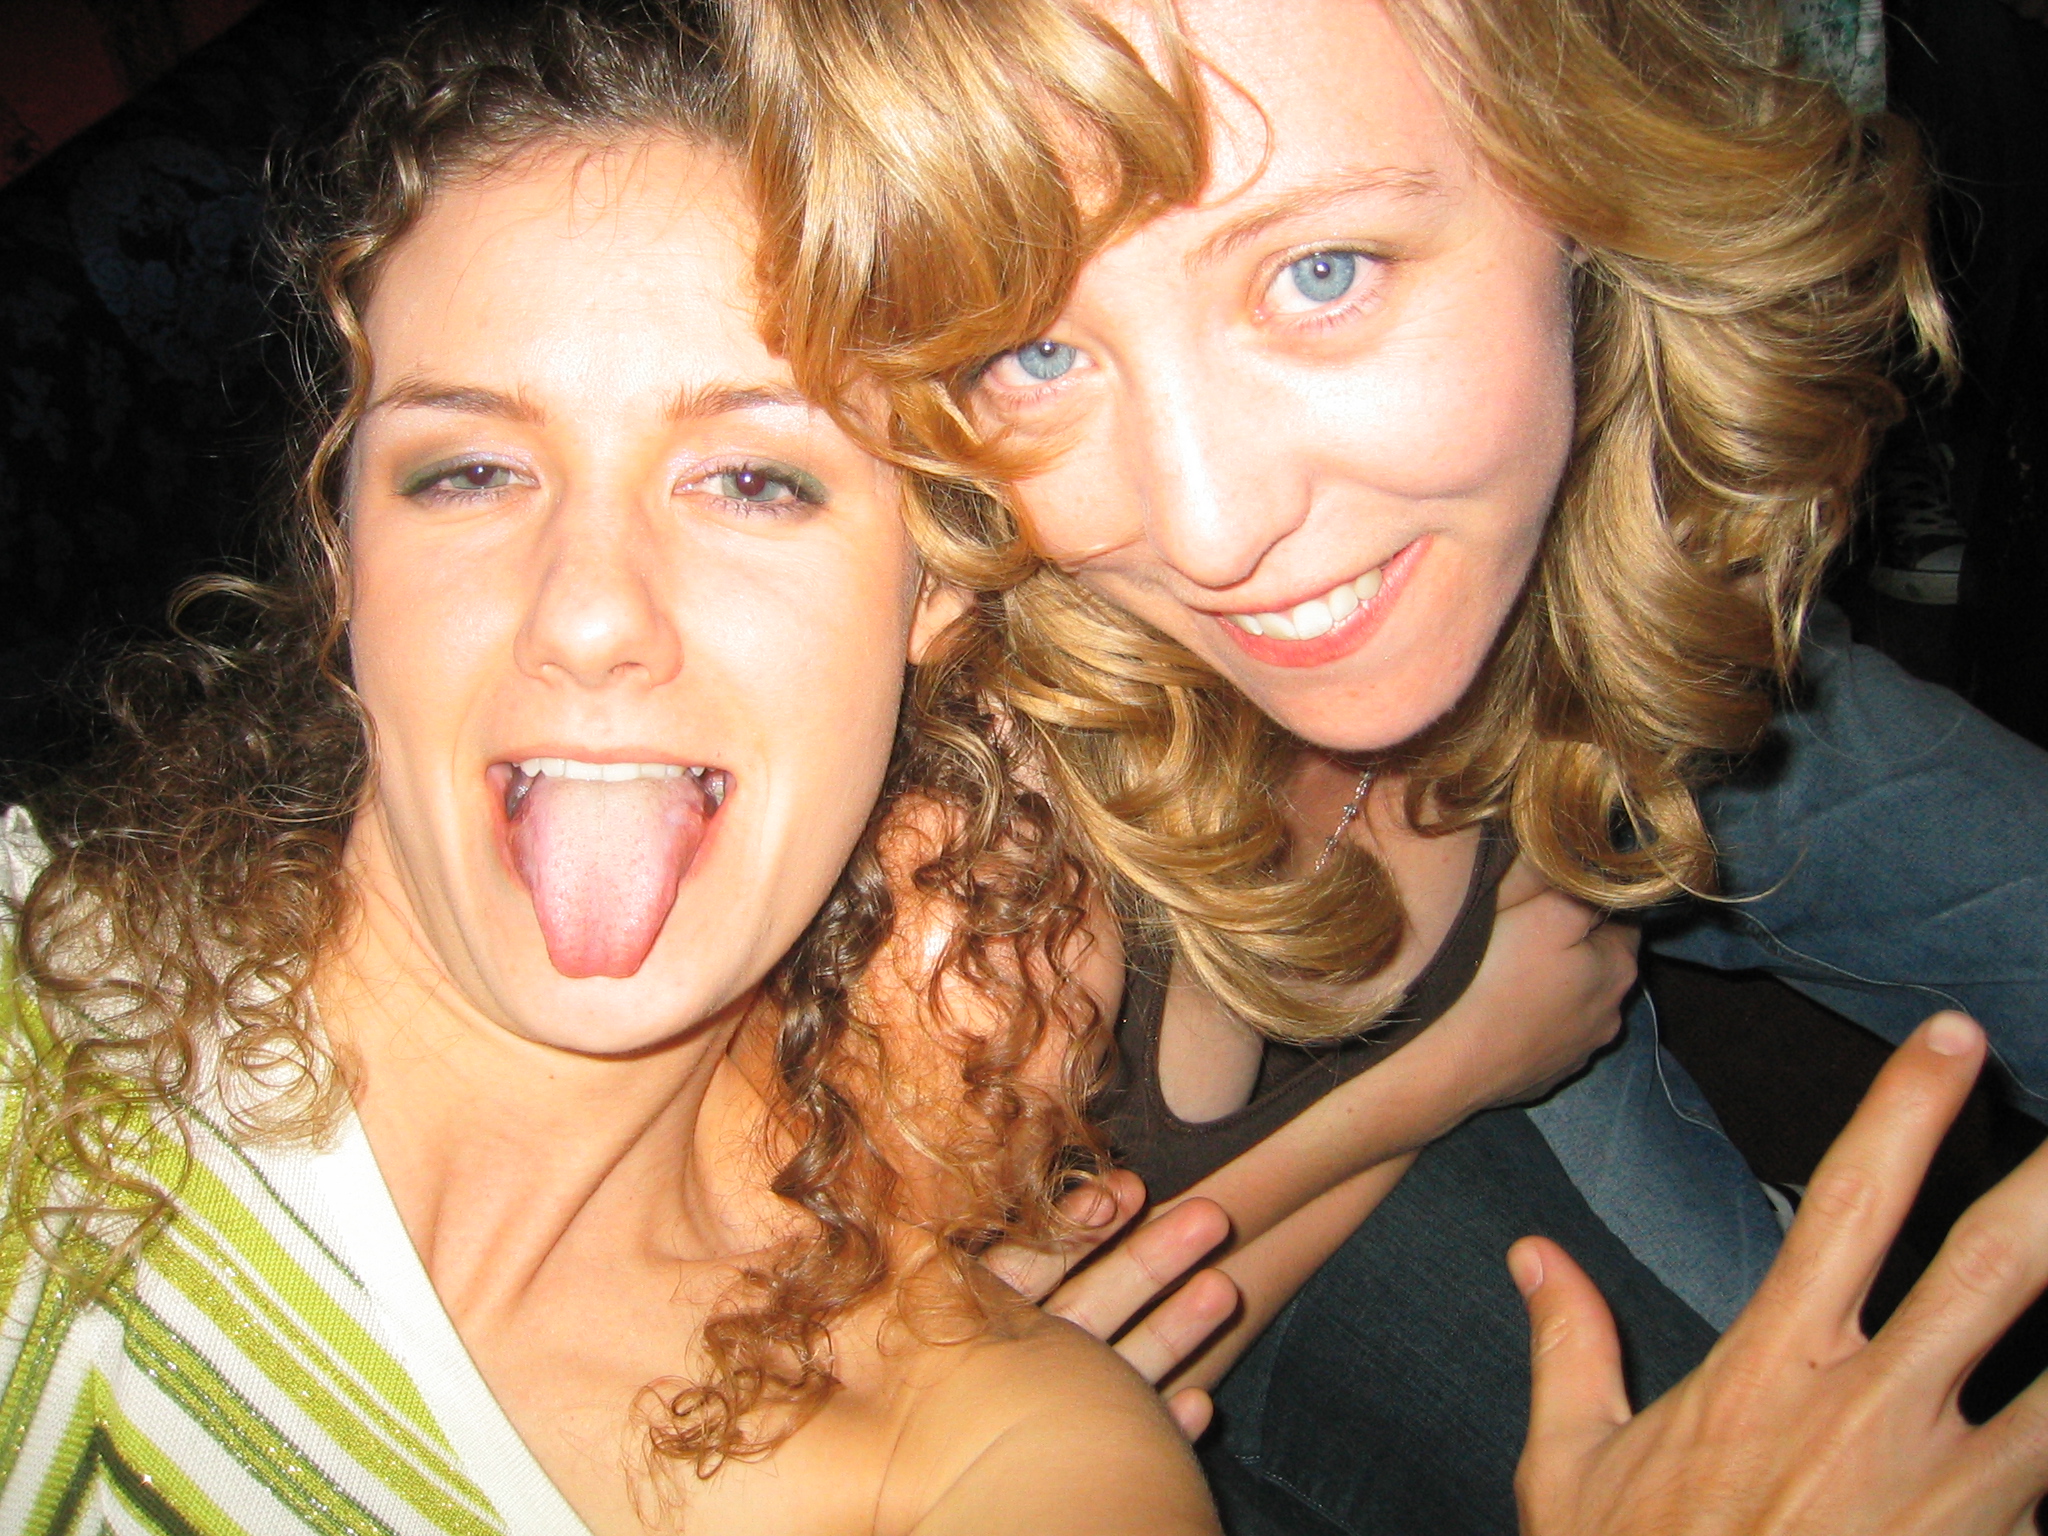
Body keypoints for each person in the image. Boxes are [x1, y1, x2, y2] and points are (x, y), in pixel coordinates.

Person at [719, 0, 2048, 1528]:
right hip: (1496, 1025)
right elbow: (937, 1431)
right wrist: (1447, 1070)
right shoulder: (954, 881)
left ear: (1588, 170)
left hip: (1587, 724)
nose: (1215, 527)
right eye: (1032, 351)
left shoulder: (1631, 480)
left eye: (1320, 272)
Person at [0, 6, 1221, 1531]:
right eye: (470, 471)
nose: (586, 612)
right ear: (343, 560)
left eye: (752, 478)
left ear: (935, 586)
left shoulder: (957, 1451)